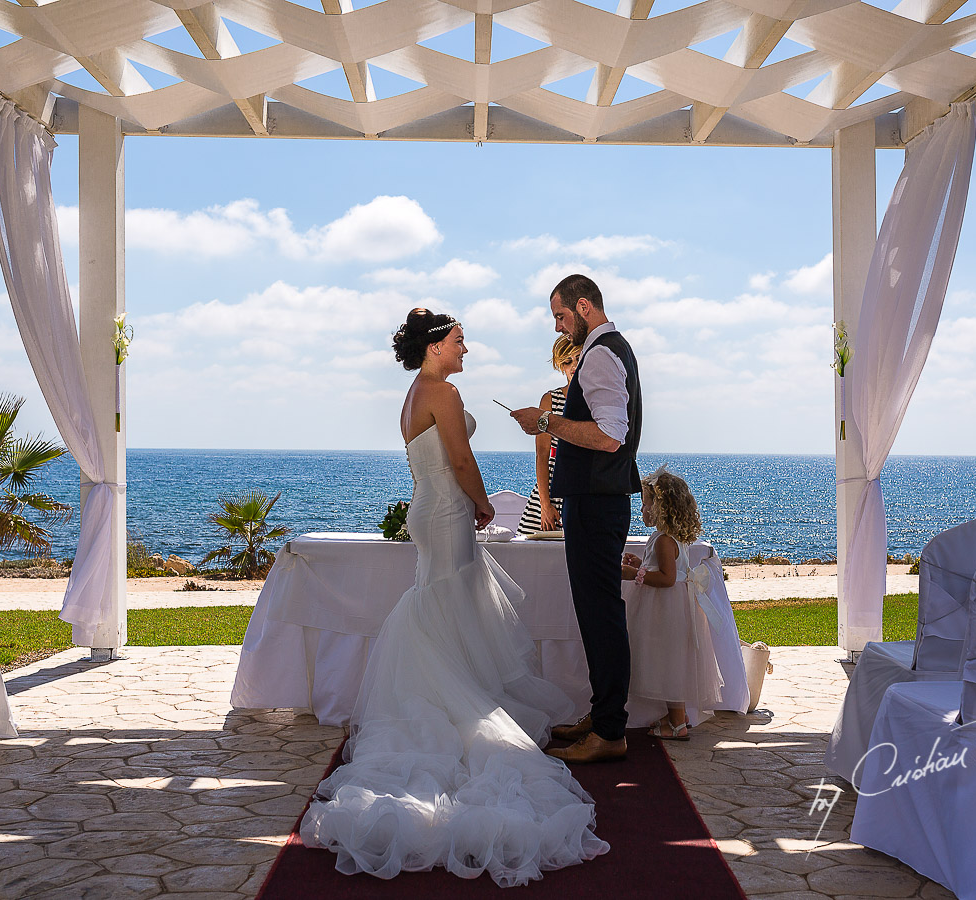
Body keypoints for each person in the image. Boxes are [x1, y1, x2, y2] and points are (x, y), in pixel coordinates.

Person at [301, 308, 609, 887]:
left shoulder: (417, 390)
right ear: (436, 345)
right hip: (446, 514)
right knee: (449, 603)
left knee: (448, 605)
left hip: (434, 511)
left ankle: (456, 692)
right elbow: (460, 459)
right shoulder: (439, 391)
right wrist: (485, 502)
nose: (466, 349)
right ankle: (456, 706)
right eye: (460, 340)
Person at [511, 274, 642, 764]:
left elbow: (609, 435)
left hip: (595, 500)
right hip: (596, 499)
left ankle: (609, 730)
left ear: (584, 306)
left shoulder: (602, 352)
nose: (560, 328)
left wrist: (544, 422)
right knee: (596, 612)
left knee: (601, 614)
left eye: (561, 316)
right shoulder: (607, 349)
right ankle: (603, 714)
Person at [620, 467, 724, 741]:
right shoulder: (665, 537)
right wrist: (641, 563)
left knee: (668, 662)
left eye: (646, 503)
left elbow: (667, 578)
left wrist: (636, 575)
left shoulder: (665, 540)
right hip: (667, 605)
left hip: (665, 608)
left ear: (661, 507)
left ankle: (678, 724)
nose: (642, 509)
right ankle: (676, 716)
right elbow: (668, 570)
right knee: (667, 660)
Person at [517, 335, 580, 534]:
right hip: (549, 491)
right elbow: (542, 454)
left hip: (581, 490)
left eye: (578, 359)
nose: (573, 366)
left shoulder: (597, 400)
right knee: (531, 555)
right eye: (567, 362)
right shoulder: (550, 399)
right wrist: (545, 505)